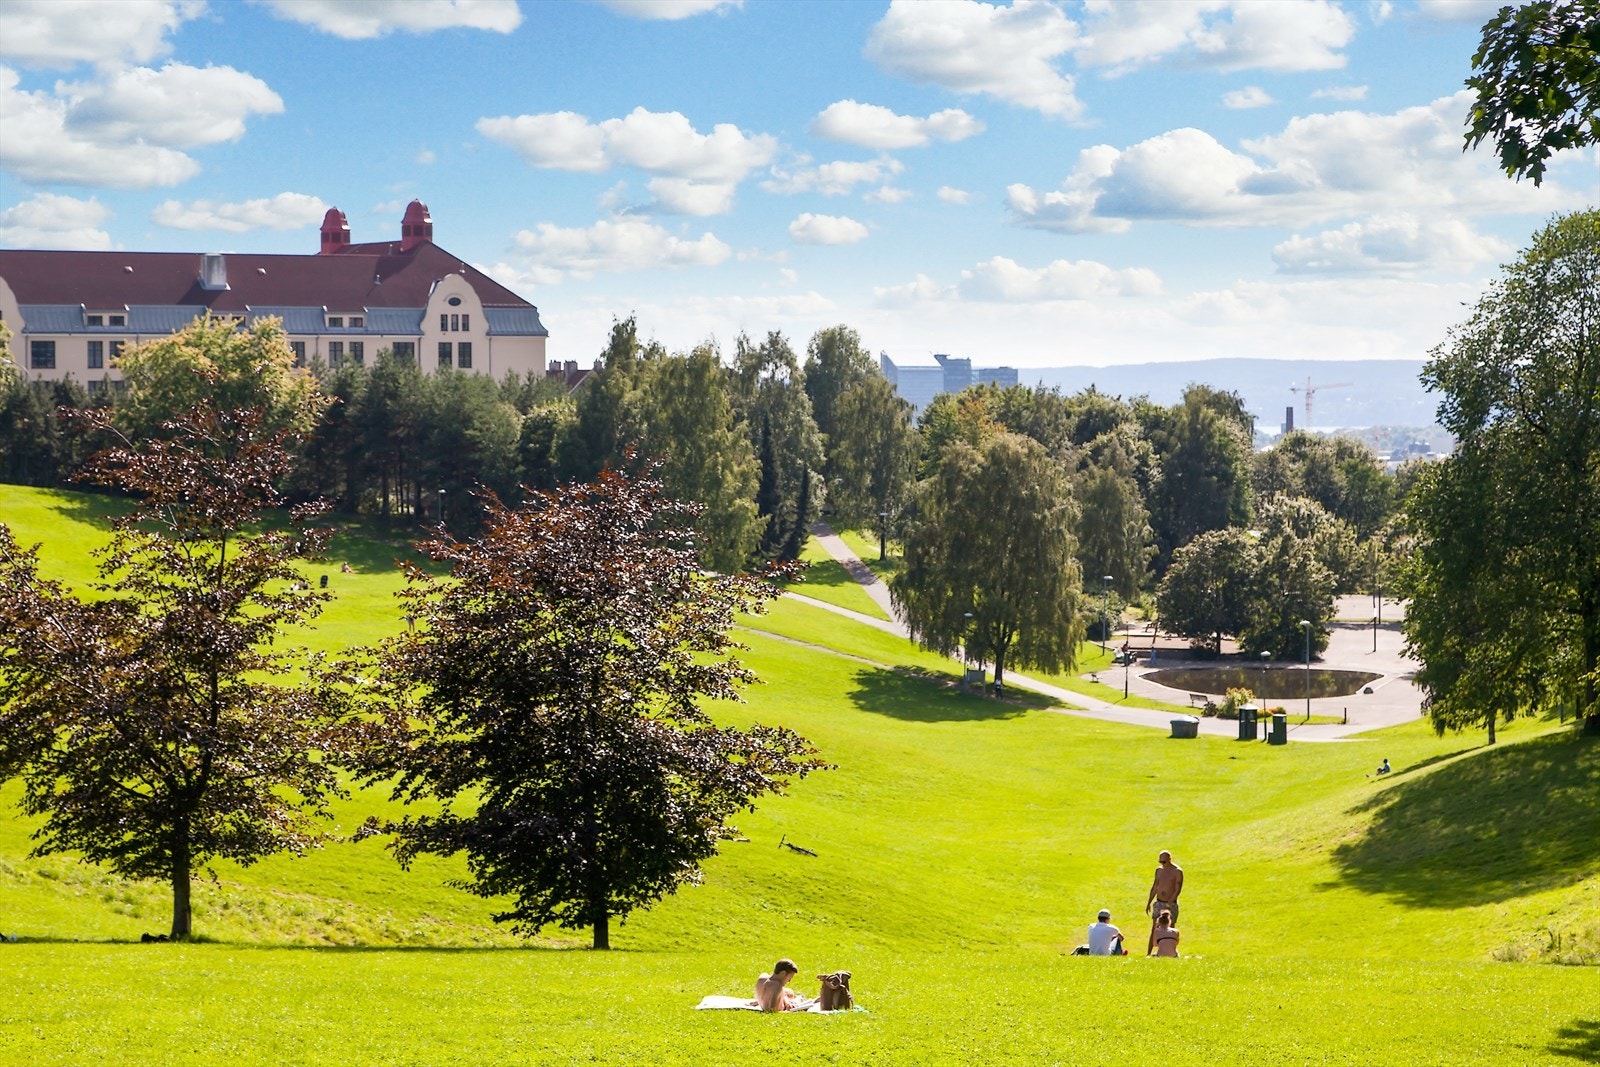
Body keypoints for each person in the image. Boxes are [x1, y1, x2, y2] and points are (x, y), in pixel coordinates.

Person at [1145, 849, 1184, 952]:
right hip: (1159, 902)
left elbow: (1177, 890)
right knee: (1154, 928)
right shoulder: (1159, 870)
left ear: (1169, 859)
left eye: (1164, 862)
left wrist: (1169, 903)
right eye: (1160, 862)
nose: (1162, 864)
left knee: (1170, 929)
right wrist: (1149, 902)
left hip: (1171, 904)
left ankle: (1170, 952)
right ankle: (1148, 953)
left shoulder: (1177, 872)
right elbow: (1155, 887)